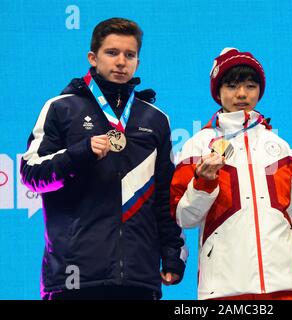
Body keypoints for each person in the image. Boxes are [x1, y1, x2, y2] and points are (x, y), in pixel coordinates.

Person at [20, 17, 187, 300]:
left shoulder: (155, 119)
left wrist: (172, 254)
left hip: (139, 279)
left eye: (129, 55)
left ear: (137, 61)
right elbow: (32, 175)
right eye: (112, 53)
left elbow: (165, 195)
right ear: (93, 58)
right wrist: (80, 153)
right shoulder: (62, 108)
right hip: (74, 279)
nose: (121, 61)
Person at [170, 48, 292, 300]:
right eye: (232, 85)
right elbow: (184, 217)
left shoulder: (278, 146)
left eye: (250, 85)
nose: (242, 94)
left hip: (285, 284)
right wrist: (203, 182)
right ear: (218, 91)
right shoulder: (199, 144)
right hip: (225, 287)